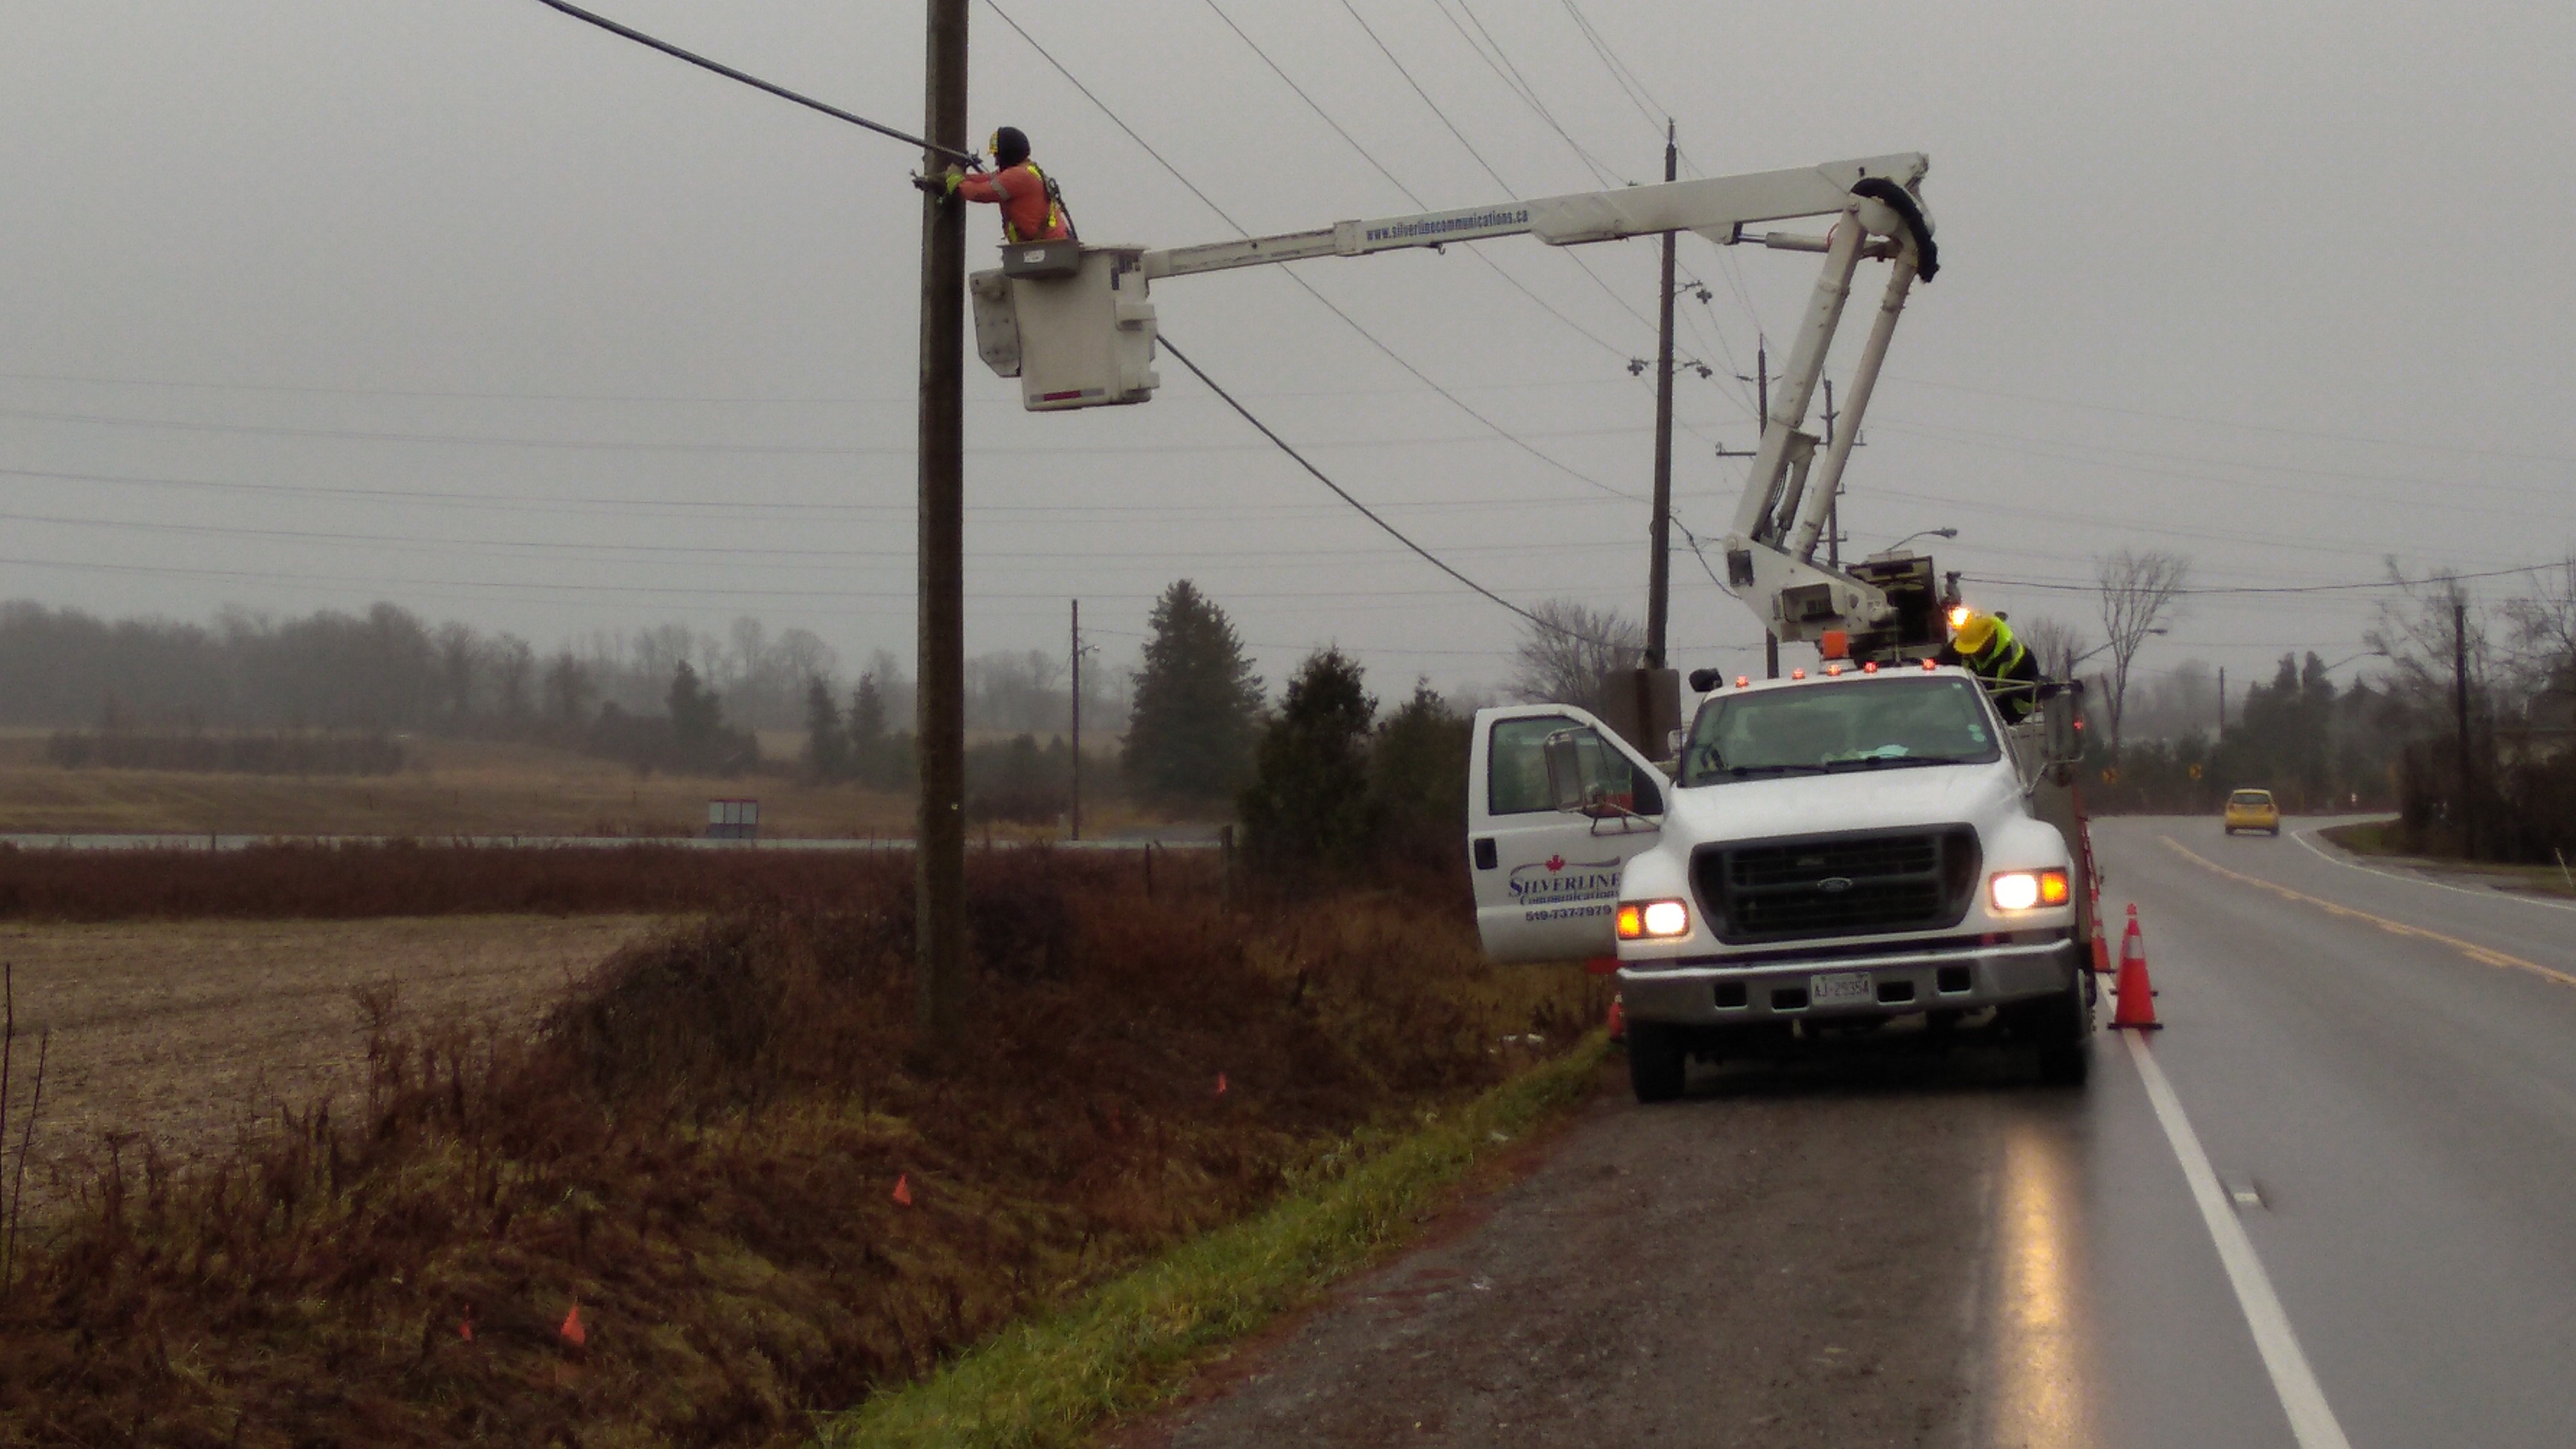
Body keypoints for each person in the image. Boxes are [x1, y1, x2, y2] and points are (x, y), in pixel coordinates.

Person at [934, 127, 1071, 244]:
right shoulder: (1028, 170)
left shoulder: (1017, 177)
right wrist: (959, 177)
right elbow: (986, 179)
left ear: (1007, 155)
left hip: (1045, 248)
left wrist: (956, 181)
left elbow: (979, 193)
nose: (996, 162)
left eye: (997, 157)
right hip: (1052, 246)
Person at [1940, 607, 2042, 723]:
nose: (1971, 652)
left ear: (1991, 639)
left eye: (1977, 647)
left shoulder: (2023, 660)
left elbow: (2022, 707)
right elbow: (1939, 666)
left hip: (1999, 723)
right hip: (1958, 720)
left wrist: (1994, 718)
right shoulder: (1959, 647)